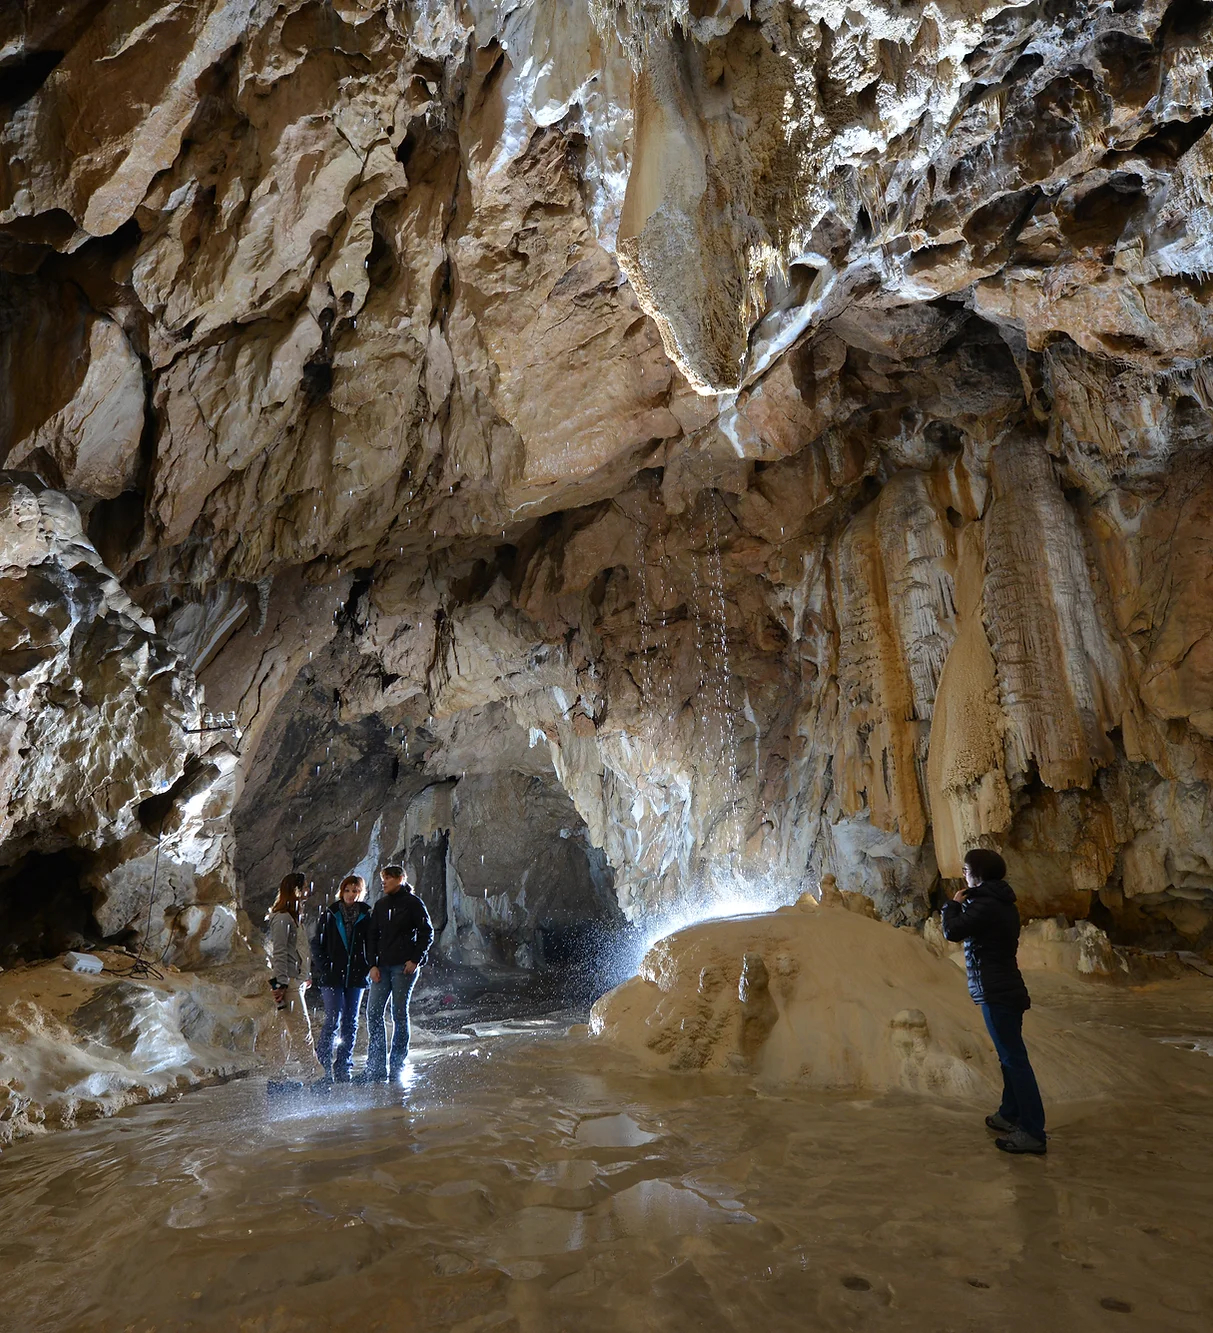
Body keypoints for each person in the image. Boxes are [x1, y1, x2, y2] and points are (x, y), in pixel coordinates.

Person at [942, 848, 1047, 1155]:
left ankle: (1032, 1131)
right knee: (1008, 1056)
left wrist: (953, 905)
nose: (963, 874)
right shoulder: (1001, 903)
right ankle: (1009, 1113)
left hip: (997, 990)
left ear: (979, 874)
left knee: (1014, 1059)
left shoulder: (984, 904)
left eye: (966, 869)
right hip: (1005, 988)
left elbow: (952, 932)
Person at [363, 864, 433, 1084]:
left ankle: (396, 1065)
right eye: (382, 878)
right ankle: (376, 1067)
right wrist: (371, 964)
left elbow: (426, 932)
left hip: (403, 967)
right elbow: (371, 936)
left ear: (401, 879)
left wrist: (415, 959)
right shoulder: (381, 905)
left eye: (387, 878)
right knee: (373, 1013)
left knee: (399, 1014)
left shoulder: (413, 904)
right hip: (382, 967)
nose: (383, 882)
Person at [266, 872, 326, 1092]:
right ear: (296, 890)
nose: (308, 892)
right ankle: (315, 1077)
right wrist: (280, 984)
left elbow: (297, 950)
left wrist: (304, 974)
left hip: (294, 980)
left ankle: (277, 1080)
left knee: (284, 1031)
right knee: (302, 1030)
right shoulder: (282, 918)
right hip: (287, 982)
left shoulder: (293, 916)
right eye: (305, 888)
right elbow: (280, 953)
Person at [311, 874, 373, 1083]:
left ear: (360, 893)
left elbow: (373, 943)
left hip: (356, 976)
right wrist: (325, 967)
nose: (351, 895)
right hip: (332, 977)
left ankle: (343, 1065)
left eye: (355, 891)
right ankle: (323, 1066)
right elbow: (317, 943)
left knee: (351, 1021)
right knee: (332, 1019)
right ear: (342, 891)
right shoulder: (331, 913)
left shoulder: (366, 914)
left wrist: (367, 965)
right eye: (348, 890)